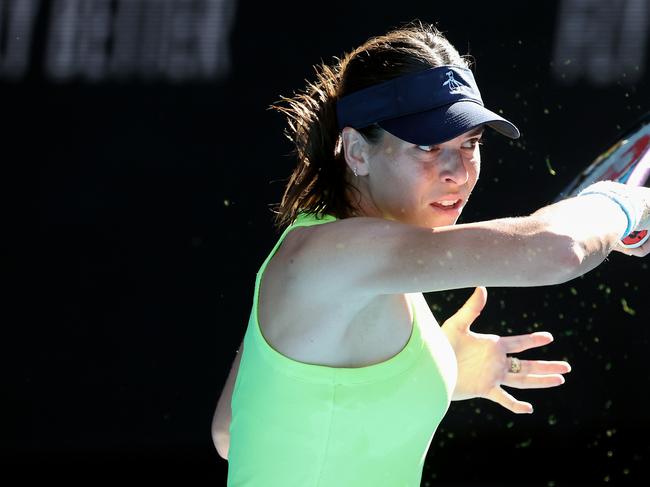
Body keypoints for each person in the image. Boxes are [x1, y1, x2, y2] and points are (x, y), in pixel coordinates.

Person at [211, 20, 650, 486]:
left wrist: (414, 377)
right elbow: (558, 250)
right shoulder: (332, 255)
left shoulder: (339, 252)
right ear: (356, 151)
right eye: (426, 145)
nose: (457, 172)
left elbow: (233, 430)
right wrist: (627, 202)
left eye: (470, 144)